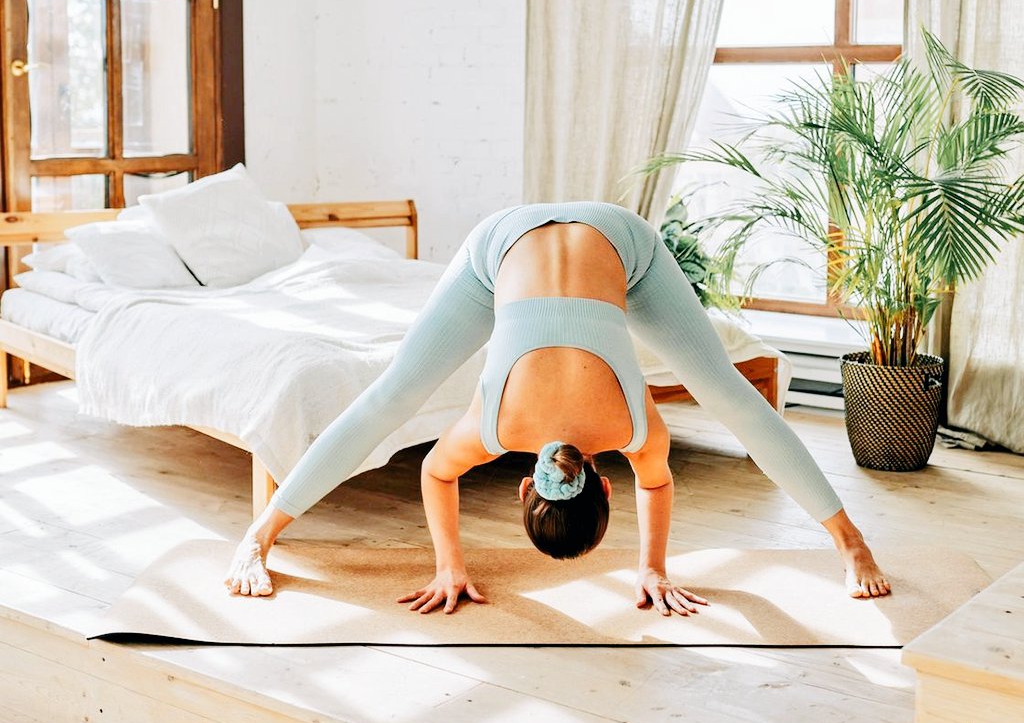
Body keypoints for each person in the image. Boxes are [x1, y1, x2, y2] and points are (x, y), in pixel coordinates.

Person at [224, 202, 891, 613]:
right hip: (512, 239)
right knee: (390, 395)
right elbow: (436, 471)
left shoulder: (632, 431)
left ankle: (261, 535)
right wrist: (449, 564)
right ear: (525, 485)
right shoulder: (497, 429)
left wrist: (651, 568)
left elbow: (656, 482)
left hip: (610, 238)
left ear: (604, 484)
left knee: (389, 396)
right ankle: (849, 541)